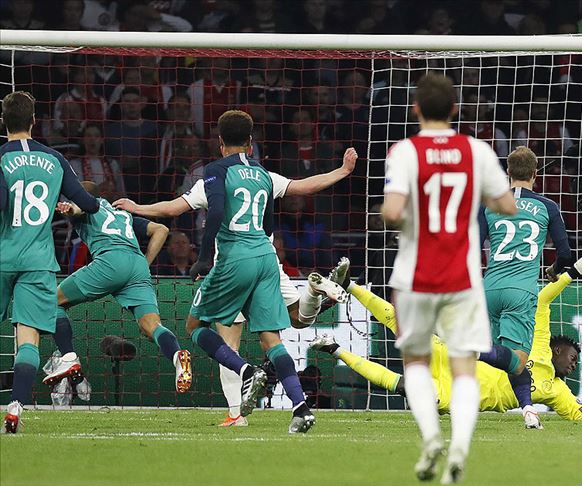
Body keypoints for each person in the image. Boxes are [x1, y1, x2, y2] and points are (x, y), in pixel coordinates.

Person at [113, 118, 358, 428]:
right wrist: (342, 171)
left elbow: (175, 208)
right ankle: (300, 408)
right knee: (273, 338)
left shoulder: (215, 172)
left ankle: (244, 382)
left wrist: (137, 208)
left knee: (198, 328)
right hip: (267, 258)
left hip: (233, 261)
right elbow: (303, 186)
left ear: (220, 143)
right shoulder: (263, 174)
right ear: (251, 143)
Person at [312, 255, 582, 423]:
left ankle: (336, 349)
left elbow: (580, 415)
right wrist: (571, 274)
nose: (573, 366)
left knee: (401, 385)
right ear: (558, 349)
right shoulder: (538, 341)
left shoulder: (557, 391)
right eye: (573, 358)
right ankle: (350, 285)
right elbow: (543, 300)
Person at [380, 73, 517, 484]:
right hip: (462, 277)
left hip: (415, 276)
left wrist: (405, 217)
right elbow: (507, 204)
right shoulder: (476, 150)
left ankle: (430, 438)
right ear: (455, 109)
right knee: (464, 367)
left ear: (415, 109)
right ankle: (459, 446)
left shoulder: (405, 152)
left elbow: (391, 212)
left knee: (416, 362)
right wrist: (482, 195)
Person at [1, 91, 99, 434]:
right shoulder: (55, 159)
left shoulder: (1, 157)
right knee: (28, 340)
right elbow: (89, 203)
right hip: (38, 261)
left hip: (2, 256)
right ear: (34, 121)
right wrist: (73, 206)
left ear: (3, 121)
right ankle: (15, 406)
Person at [48, 182, 187, 397]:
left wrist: (71, 208)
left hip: (110, 261)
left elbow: (80, 208)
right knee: (151, 325)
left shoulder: (87, 205)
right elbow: (162, 230)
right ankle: (178, 356)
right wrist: (145, 263)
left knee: (52, 303)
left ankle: (68, 358)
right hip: (137, 266)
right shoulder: (122, 215)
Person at [476, 145, 573, 430]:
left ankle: (528, 410)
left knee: (509, 360)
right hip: (520, 292)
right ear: (535, 174)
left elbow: (472, 246)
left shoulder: (488, 205)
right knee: (517, 360)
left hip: (489, 289)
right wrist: (554, 270)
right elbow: (566, 254)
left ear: (508, 173)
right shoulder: (547, 207)